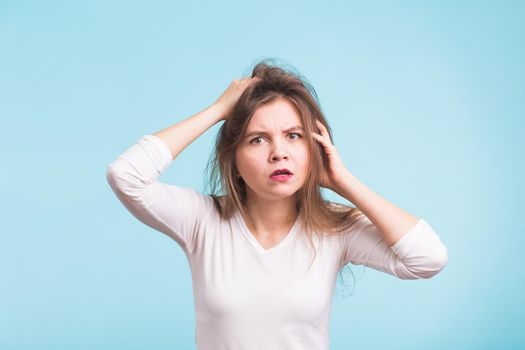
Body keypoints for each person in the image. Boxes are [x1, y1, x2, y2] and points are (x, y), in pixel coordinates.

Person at [106, 60, 448, 350]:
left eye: (294, 135)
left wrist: (343, 182)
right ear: (233, 158)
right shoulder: (202, 219)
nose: (278, 152)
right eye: (258, 139)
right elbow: (126, 176)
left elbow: (428, 259)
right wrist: (218, 111)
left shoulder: (335, 228)